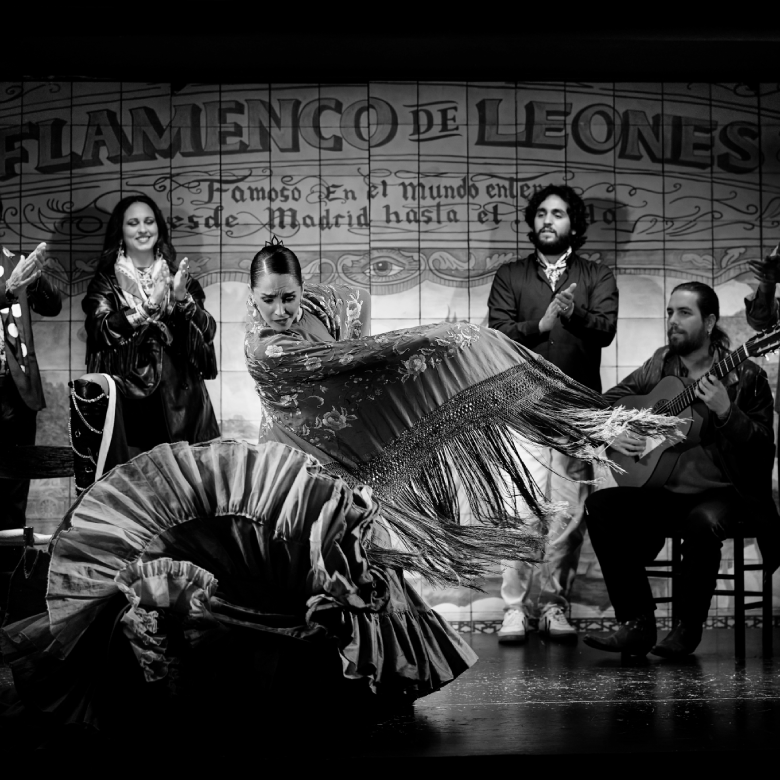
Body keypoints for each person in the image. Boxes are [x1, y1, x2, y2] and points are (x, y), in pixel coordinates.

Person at [582, 282, 780, 658]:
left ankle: (687, 629)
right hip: (667, 492)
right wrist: (614, 431)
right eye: (670, 312)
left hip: (727, 493)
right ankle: (637, 623)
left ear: (710, 322)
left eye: (684, 313)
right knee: (600, 507)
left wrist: (726, 411)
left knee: (702, 522)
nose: (672, 320)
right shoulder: (660, 365)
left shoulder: (747, 375)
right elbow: (604, 404)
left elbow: (761, 446)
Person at [487, 184, 618, 644]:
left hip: (575, 413)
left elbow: (605, 330)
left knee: (567, 514)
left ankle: (553, 605)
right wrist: (539, 326)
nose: (547, 220)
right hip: (520, 408)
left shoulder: (597, 275)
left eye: (558, 213)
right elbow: (497, 333)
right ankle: (514, 609)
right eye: (541, 213)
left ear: (573, 224)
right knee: (519, 510)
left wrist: (573, 313)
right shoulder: (511, 275)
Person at [76, 194, 219, 489]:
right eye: (133, 223)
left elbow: (207, 331)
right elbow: (100, 329)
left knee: (185, 491)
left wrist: (182, 300)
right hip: (130, 400)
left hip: (182, 402)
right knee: (135, 489)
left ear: (159, 228)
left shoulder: (180, 279)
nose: (142, 229)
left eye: (149, 221)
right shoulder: (106, 282)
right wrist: (147, 307)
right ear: (121, 232)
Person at [0, 223, 62, 589]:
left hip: (14, 391)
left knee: (13, 495)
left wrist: (35, 277)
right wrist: (8, 290)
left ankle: (9, 583)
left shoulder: (14, 262)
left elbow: (52, 306)